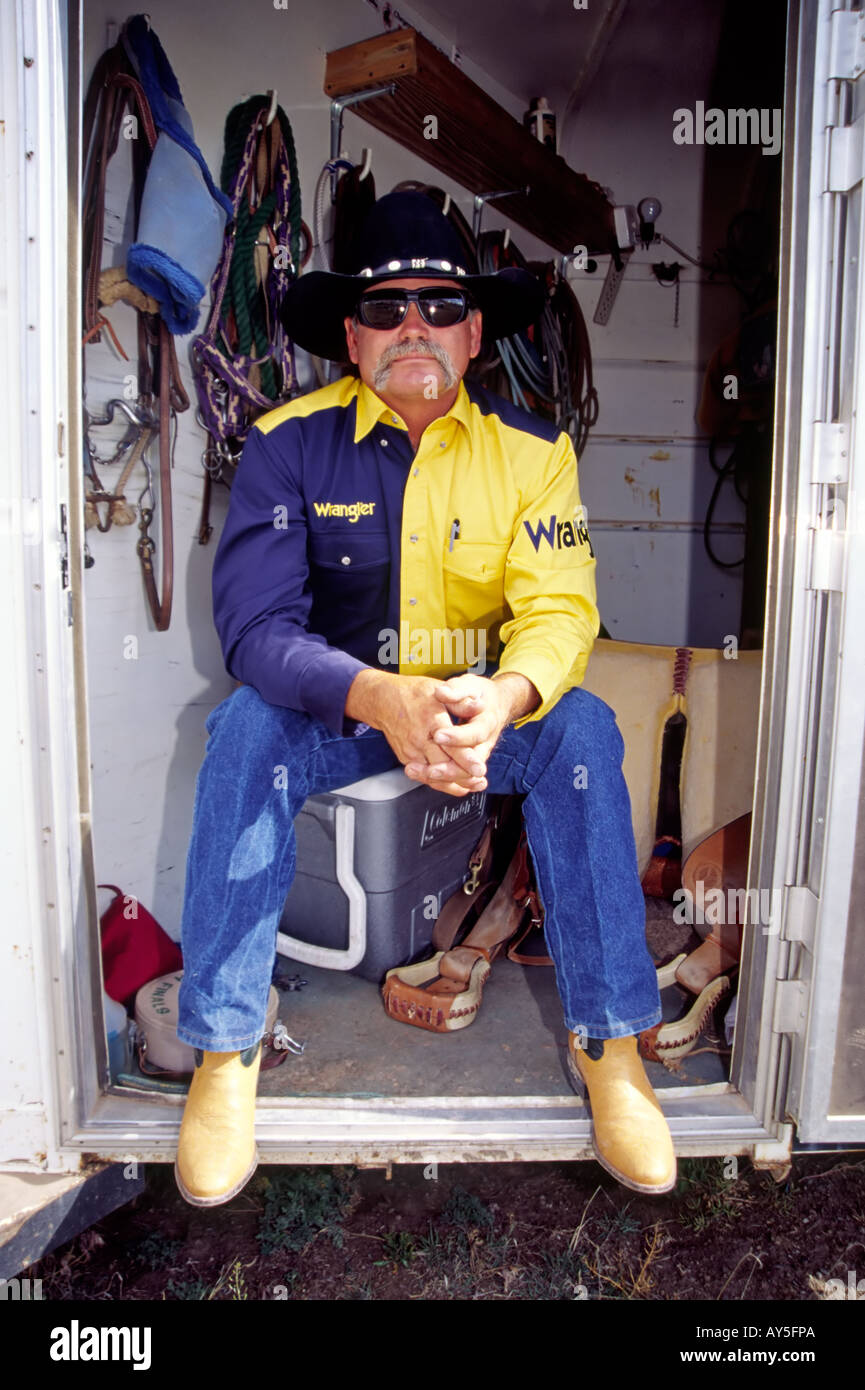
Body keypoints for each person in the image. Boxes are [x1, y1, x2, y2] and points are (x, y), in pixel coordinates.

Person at [174, 192, 675, 1206]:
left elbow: (562, 611)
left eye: (440, 306)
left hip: (478, 717)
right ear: (354, 336)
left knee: (580, 726)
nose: (416, 325)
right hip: (346, 718)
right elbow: (258, 634)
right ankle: (224, 1055)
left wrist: (506, 695)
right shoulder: (285, 442)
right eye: (388, 307)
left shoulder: (537, 455)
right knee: (243, 729)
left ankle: (610, 1042)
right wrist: (375, 696)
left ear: (475, 331)